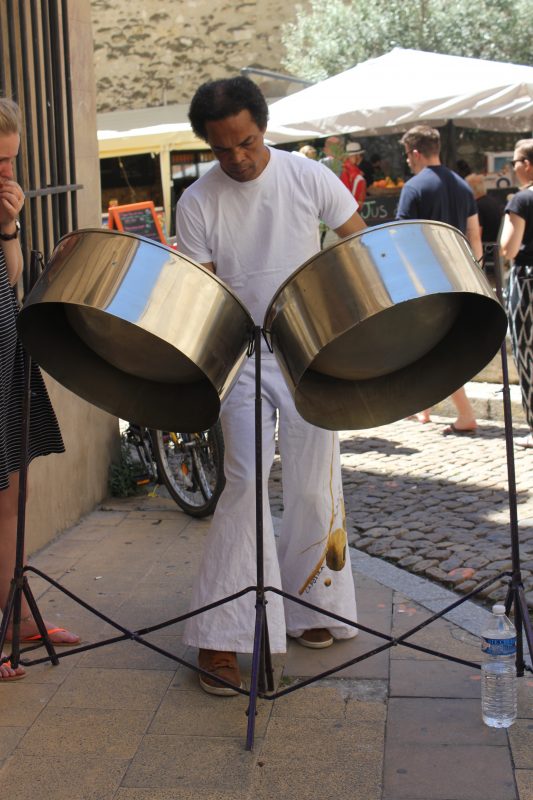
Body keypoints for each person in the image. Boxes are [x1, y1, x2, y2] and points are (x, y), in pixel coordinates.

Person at [175, 77, 365, 696]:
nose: (238, 159)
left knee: (314, 478)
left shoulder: (308, 177)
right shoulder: (197, 202)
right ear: (208, 145)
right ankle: (224, 634)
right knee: (246, 483)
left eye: (247, 143)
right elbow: (206, 295)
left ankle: (311, 605)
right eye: (222, 149)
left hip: (309, 349)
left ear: (264, 127)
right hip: (243, 357)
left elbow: (359, 244)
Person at [0, 97, 80, 681]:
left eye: (12, 161)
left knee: (13, 495)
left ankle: (13, 619)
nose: (8, 174)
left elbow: (12, 278)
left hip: (6, 357)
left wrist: (8, 226)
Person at [397, 125, 483, 434]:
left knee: (437, 346)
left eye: (407, 155)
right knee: (431, 341)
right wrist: (475, 273)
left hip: (425, 276)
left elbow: (402, 237)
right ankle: (423, 408)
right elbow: (475, 233)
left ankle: (465, 415)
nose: (407, 161)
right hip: (459, 274)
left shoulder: (414, 187)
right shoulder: (462, 185)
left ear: (416, 153)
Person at [499, 139, 533, 449]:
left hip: (527, 283)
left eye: (515, 162)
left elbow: (508, 248)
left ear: (527, 165)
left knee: (527, 352)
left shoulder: (522, 200)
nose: (513, 168)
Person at [465, 173, 503, 277]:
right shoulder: (493, 201)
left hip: (487, 248)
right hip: (496, 247)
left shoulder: (477, 206)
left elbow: (476, 234)